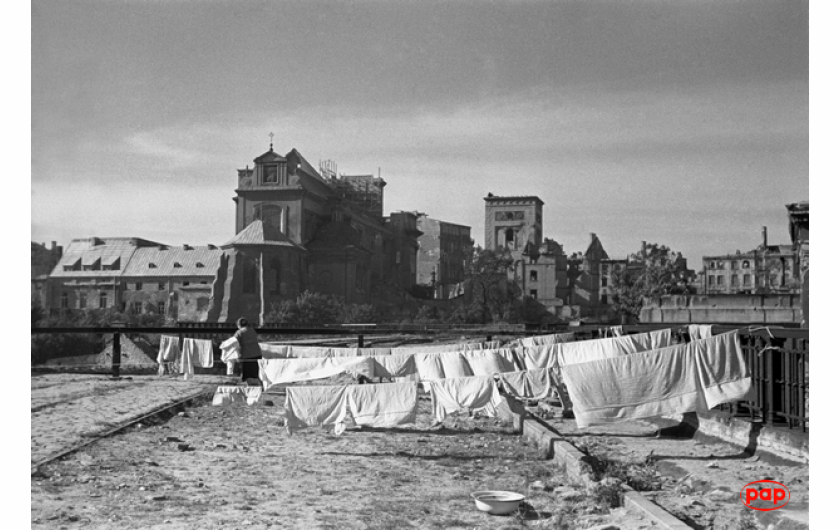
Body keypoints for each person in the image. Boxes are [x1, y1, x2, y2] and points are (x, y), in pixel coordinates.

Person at [234, 318, 261, 384]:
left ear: (238, 325)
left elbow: (234, 344)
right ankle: (258, 387)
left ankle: (249, 389)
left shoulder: (239, 332)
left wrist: (237, 356)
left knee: (246, 376)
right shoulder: (252, 330)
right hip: (257, 355)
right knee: (255, 374)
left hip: (247, 356)